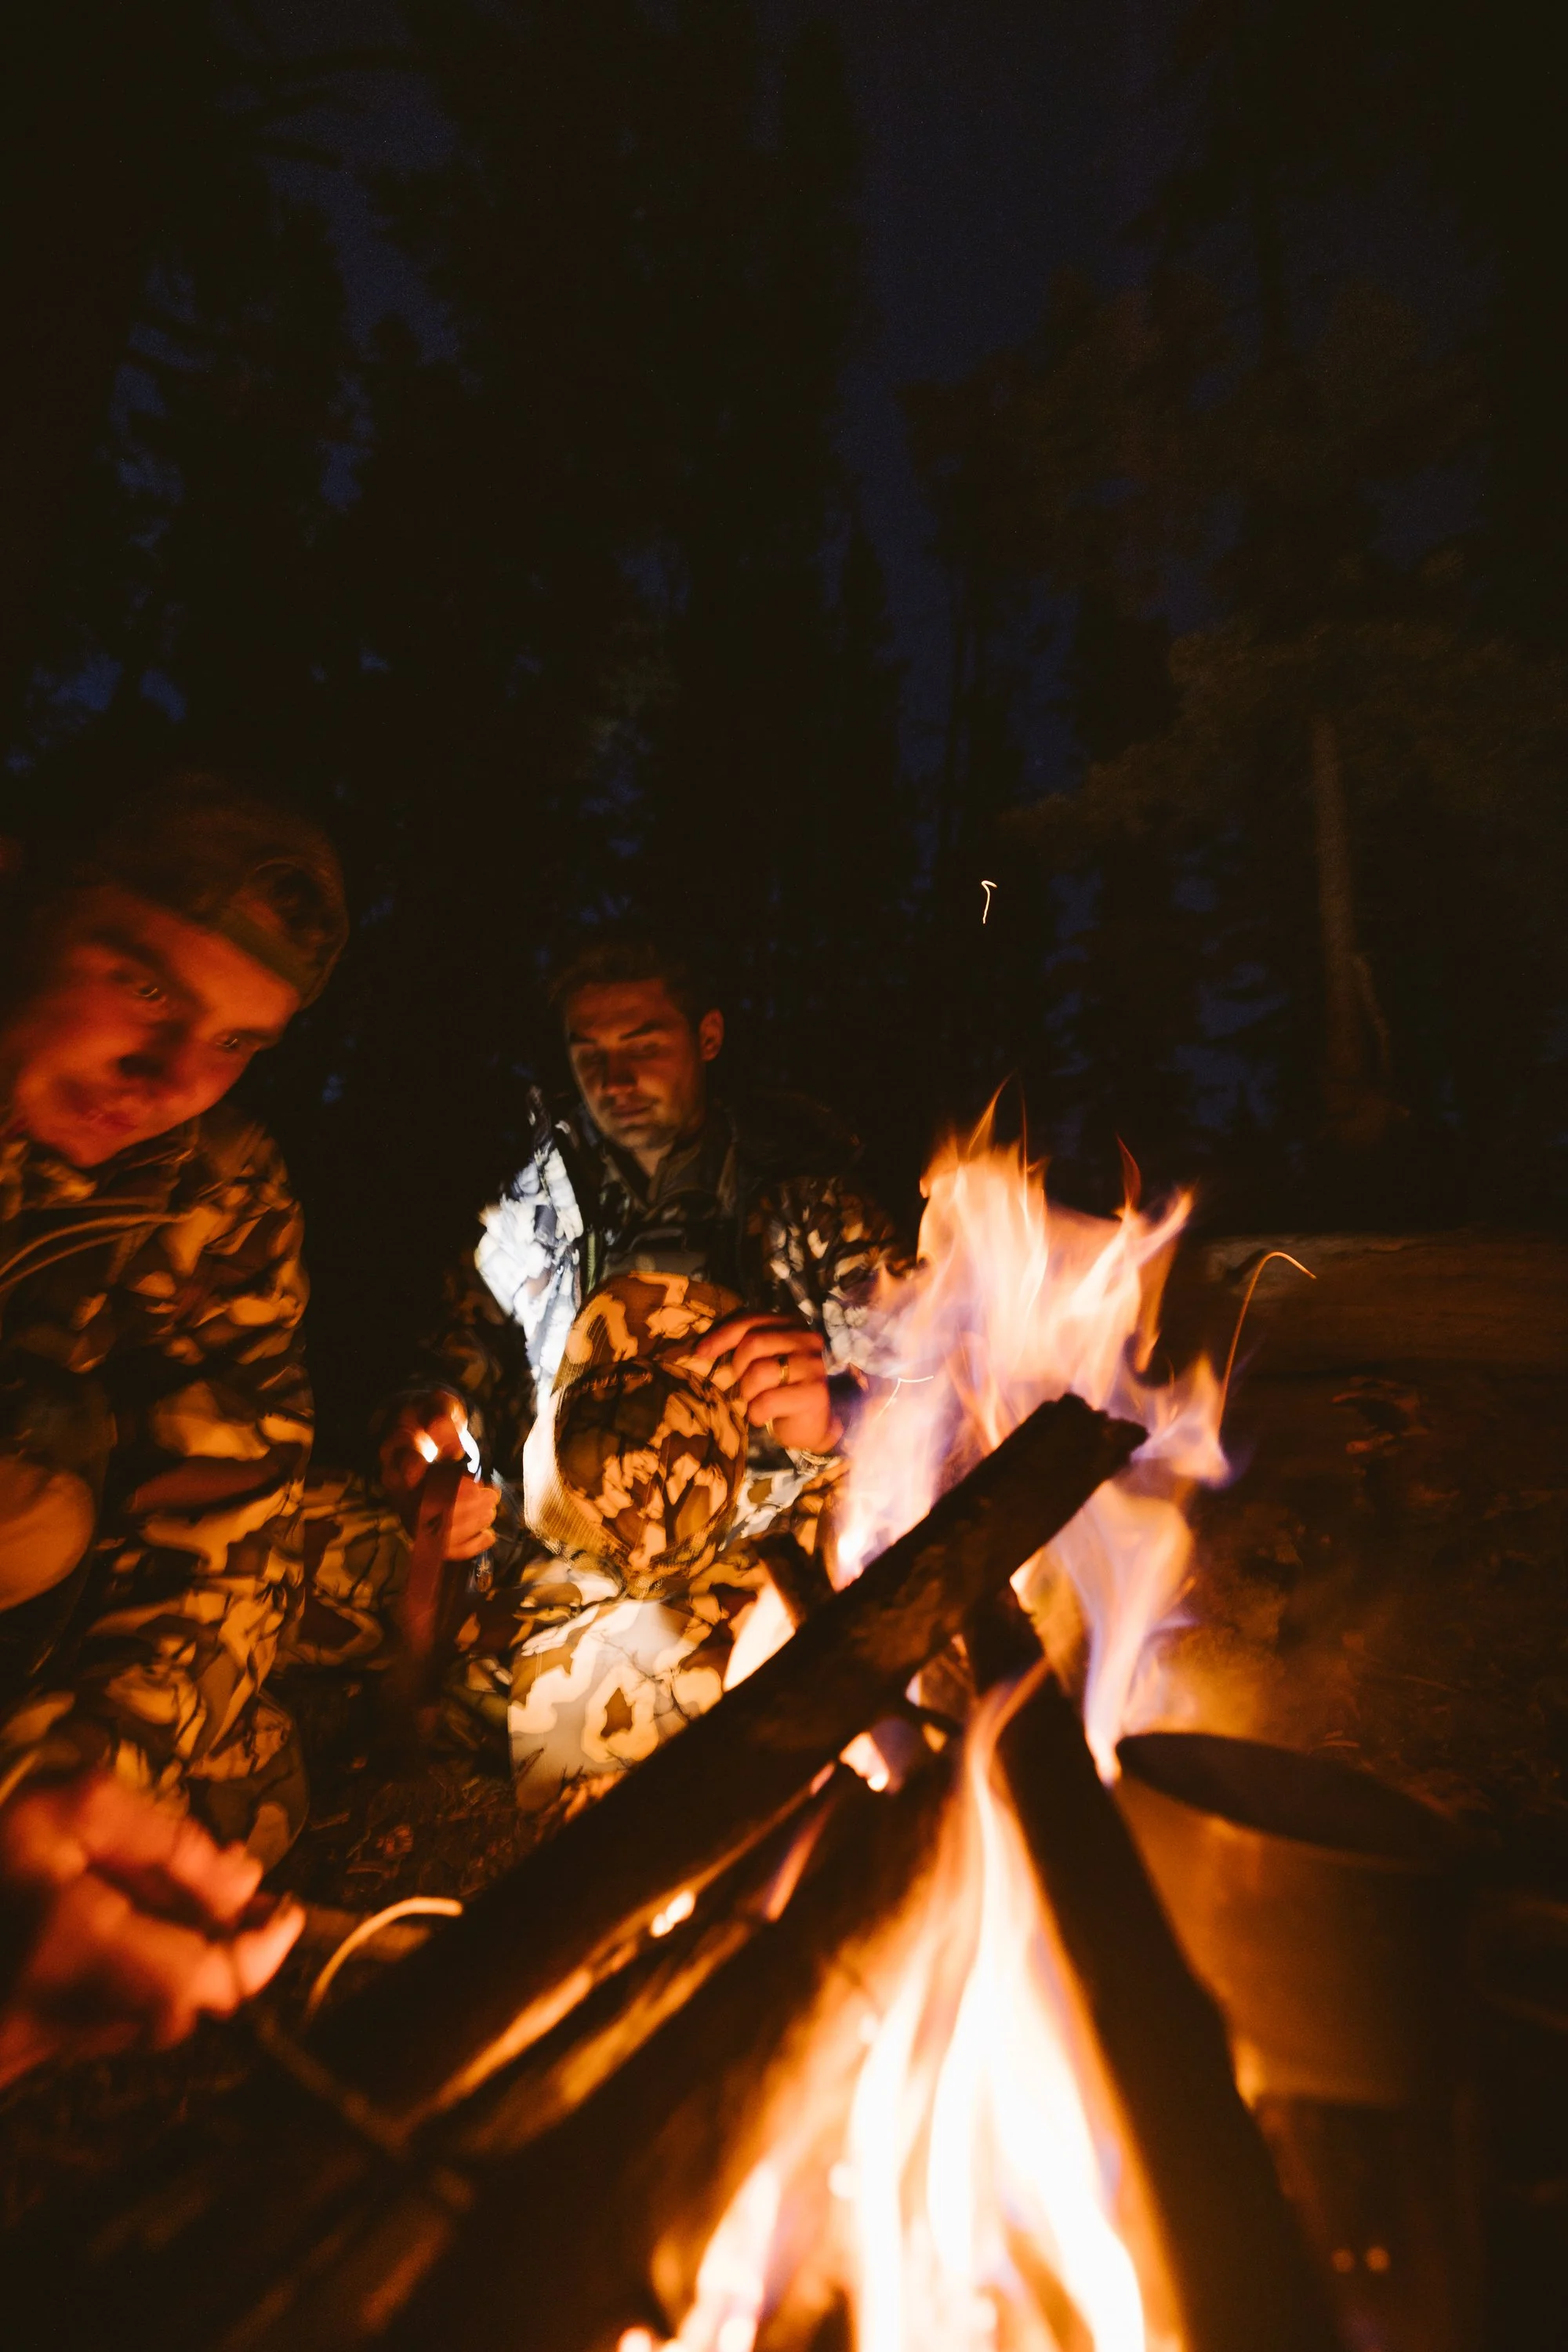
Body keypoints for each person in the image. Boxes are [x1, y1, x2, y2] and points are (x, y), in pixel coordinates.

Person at [310, 933, 906, 1824]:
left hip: (745, 1541)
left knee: (620, 1685)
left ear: (706, 1039)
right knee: (291, 1545)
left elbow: (941, 1396)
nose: (613, 1077)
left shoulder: (811, 1203)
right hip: (535, 1529)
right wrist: (424, 1426)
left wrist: (840, 1418)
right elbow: (452, 1357)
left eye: (642, 1044)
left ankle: (531, 1710)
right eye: (588, 1054)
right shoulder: (532, 1209)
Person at [0, 769, 349, 2082]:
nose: (168, 1078)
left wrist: (75, 1783)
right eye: (142, 985)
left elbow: (227, 1517)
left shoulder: (218, 1189)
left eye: (235, 1044)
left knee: (236, 1790)